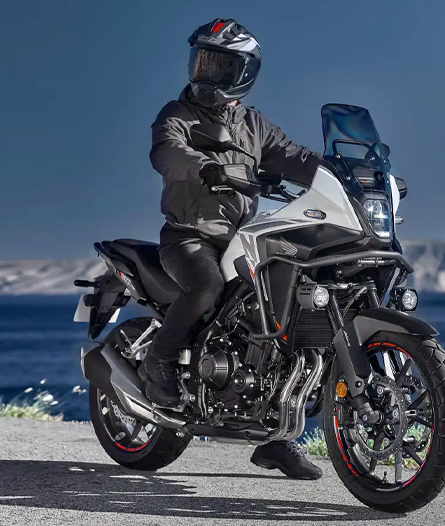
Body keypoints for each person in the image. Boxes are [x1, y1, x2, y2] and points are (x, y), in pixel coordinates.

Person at [139, 18, 324, 480]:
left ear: (242, 73)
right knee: (206, 285)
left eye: (218, 64)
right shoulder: (177, 114)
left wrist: (347, 174)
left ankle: (276, 438)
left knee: (283, 320)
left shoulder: (254, 125)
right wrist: (204, 167)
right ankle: (159, 360)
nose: (205, 72)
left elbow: (297, 158)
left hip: (244, 240)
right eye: (201, 61)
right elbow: (166, 151)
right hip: (189, 236)